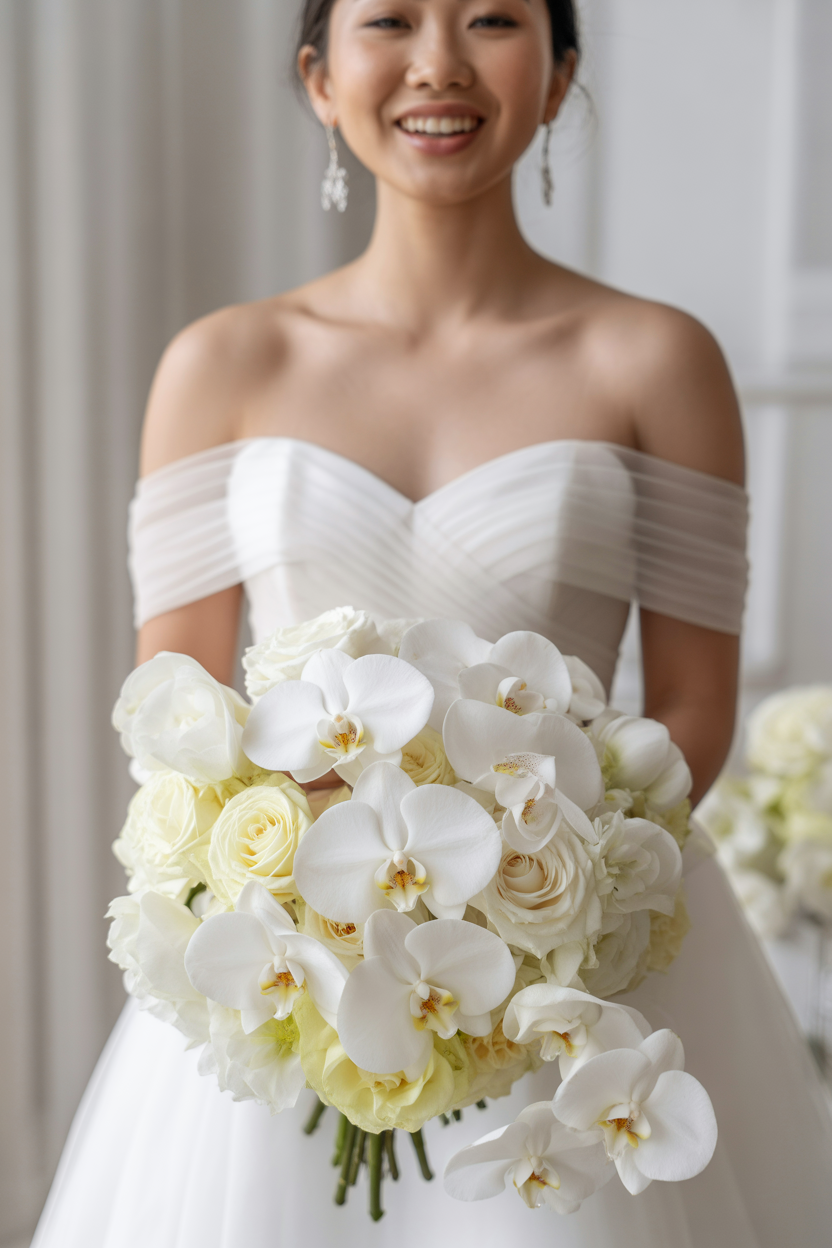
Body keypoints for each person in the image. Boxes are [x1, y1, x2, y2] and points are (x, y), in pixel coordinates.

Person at [31, 1, 832, 1245]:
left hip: (579, 975)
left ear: (561, 74)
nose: (438, 63)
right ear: (318, 76)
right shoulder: (221, 364)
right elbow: (176, 701)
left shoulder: (656, 360)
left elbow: (691, 707)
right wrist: (311, 896)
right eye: (390, 18)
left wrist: (527, 909)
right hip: (293, 953)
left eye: (494, 18)